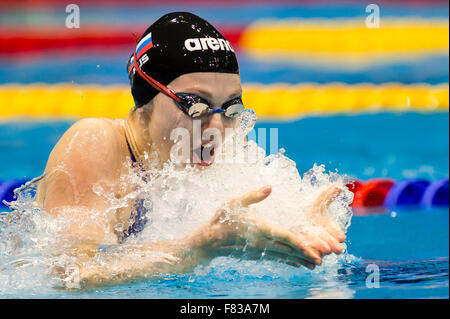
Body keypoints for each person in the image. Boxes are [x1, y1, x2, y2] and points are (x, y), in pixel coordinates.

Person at [35, 12, 345, 287]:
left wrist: (301, 231)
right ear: (147, 96)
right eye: (196, 106)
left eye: (231, 108)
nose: (215, 129)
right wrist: (199, 247)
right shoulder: (96, 142)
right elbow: (68, 277)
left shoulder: (216, 149)